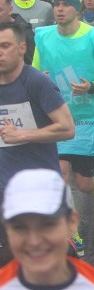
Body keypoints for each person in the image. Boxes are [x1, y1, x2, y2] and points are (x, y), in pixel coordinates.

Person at [32, 0, 94, 257]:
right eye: (56, 4)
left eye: (65, 4)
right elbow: (35, 71)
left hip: (87, 118)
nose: (59, 9)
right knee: (61, 175)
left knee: (83, 183)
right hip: (58, 117)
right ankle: (73, 234)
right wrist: (41, 78)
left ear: (78, 9)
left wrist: (92, 86)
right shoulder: (44, 37)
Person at [0, 21, 74, 196]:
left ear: (22, 48)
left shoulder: (37, 82)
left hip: (39, 189)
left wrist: (22, 134)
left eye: (5, 46)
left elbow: (68, 129)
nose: (0, 52)